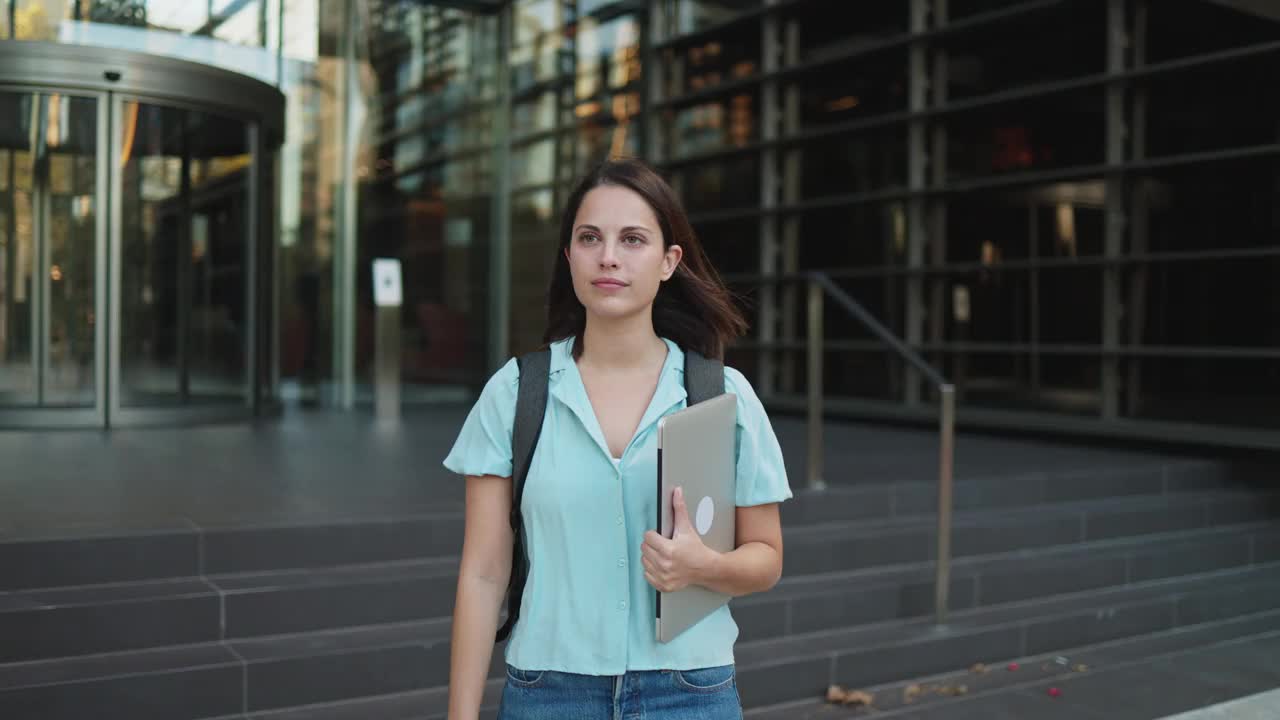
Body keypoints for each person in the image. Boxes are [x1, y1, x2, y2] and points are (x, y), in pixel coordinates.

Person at [443, 157, 792, 720]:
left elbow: (767, 557)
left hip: (689, 691)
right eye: (590, 238)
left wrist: (703, 566)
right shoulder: (514, 393)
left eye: (633, 239)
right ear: (569, 257)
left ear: (668, 261)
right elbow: (484, 574)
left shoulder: (721, 395)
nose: (609, 256)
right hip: (548, 692)